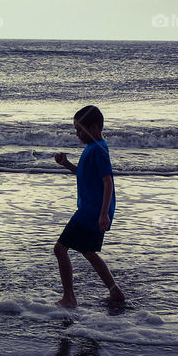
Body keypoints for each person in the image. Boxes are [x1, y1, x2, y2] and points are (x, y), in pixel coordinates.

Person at [53, 105, 124, 308]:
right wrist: (66, 164)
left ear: (94, 128)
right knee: (88, 251)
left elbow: (108, 182)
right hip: (92, 210)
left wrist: (103, 214)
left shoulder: (99, 150)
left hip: (91, 212)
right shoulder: (92, 148)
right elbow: (83, 174)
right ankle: (115, 292)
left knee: (60, 249)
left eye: (79, 130)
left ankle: (69, 298)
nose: (77, 135)